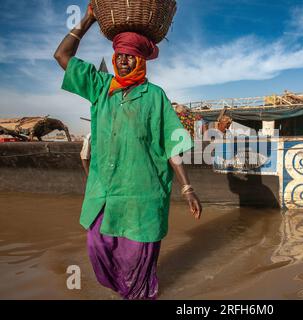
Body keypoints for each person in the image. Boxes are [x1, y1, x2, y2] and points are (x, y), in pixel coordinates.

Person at [54, 5, 202, 300]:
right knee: (98, 246)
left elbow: (172, 145)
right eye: (118, 55)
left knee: (138, 259)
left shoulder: (155, 95)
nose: (122, 61)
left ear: (140, 60)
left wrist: (186, 187)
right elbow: (62, 56)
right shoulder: (100, 87)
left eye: (129, 56)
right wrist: (87, 20)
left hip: (143, 192)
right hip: (105, 190)